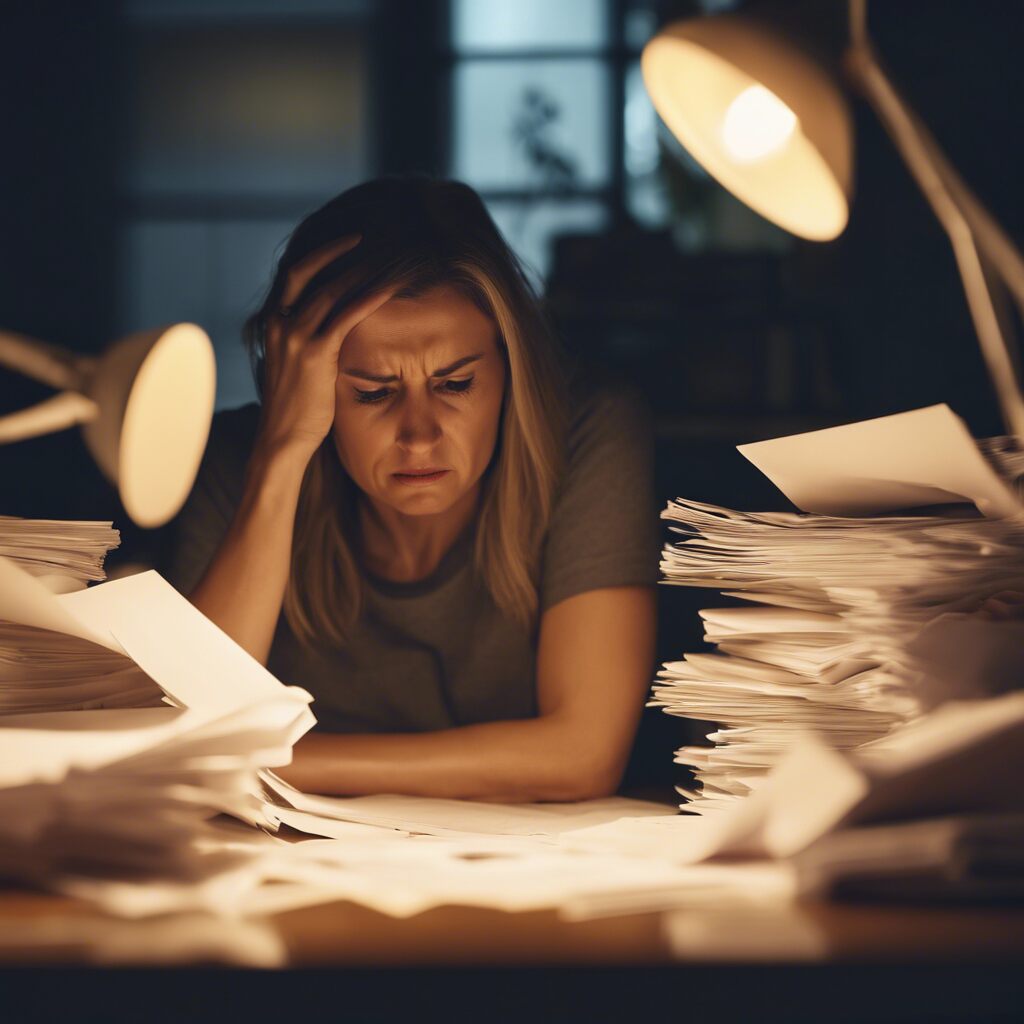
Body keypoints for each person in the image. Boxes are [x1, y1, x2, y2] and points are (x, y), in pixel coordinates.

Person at [171, 176, 659, 802]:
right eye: (373, 392)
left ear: (512, 368)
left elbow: (582, 756)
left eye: (456, 385)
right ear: (302, 381)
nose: (420, 437)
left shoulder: (589, 432)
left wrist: (270, 762)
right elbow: (199, 728)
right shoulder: (241, 461)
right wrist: (283, 451)